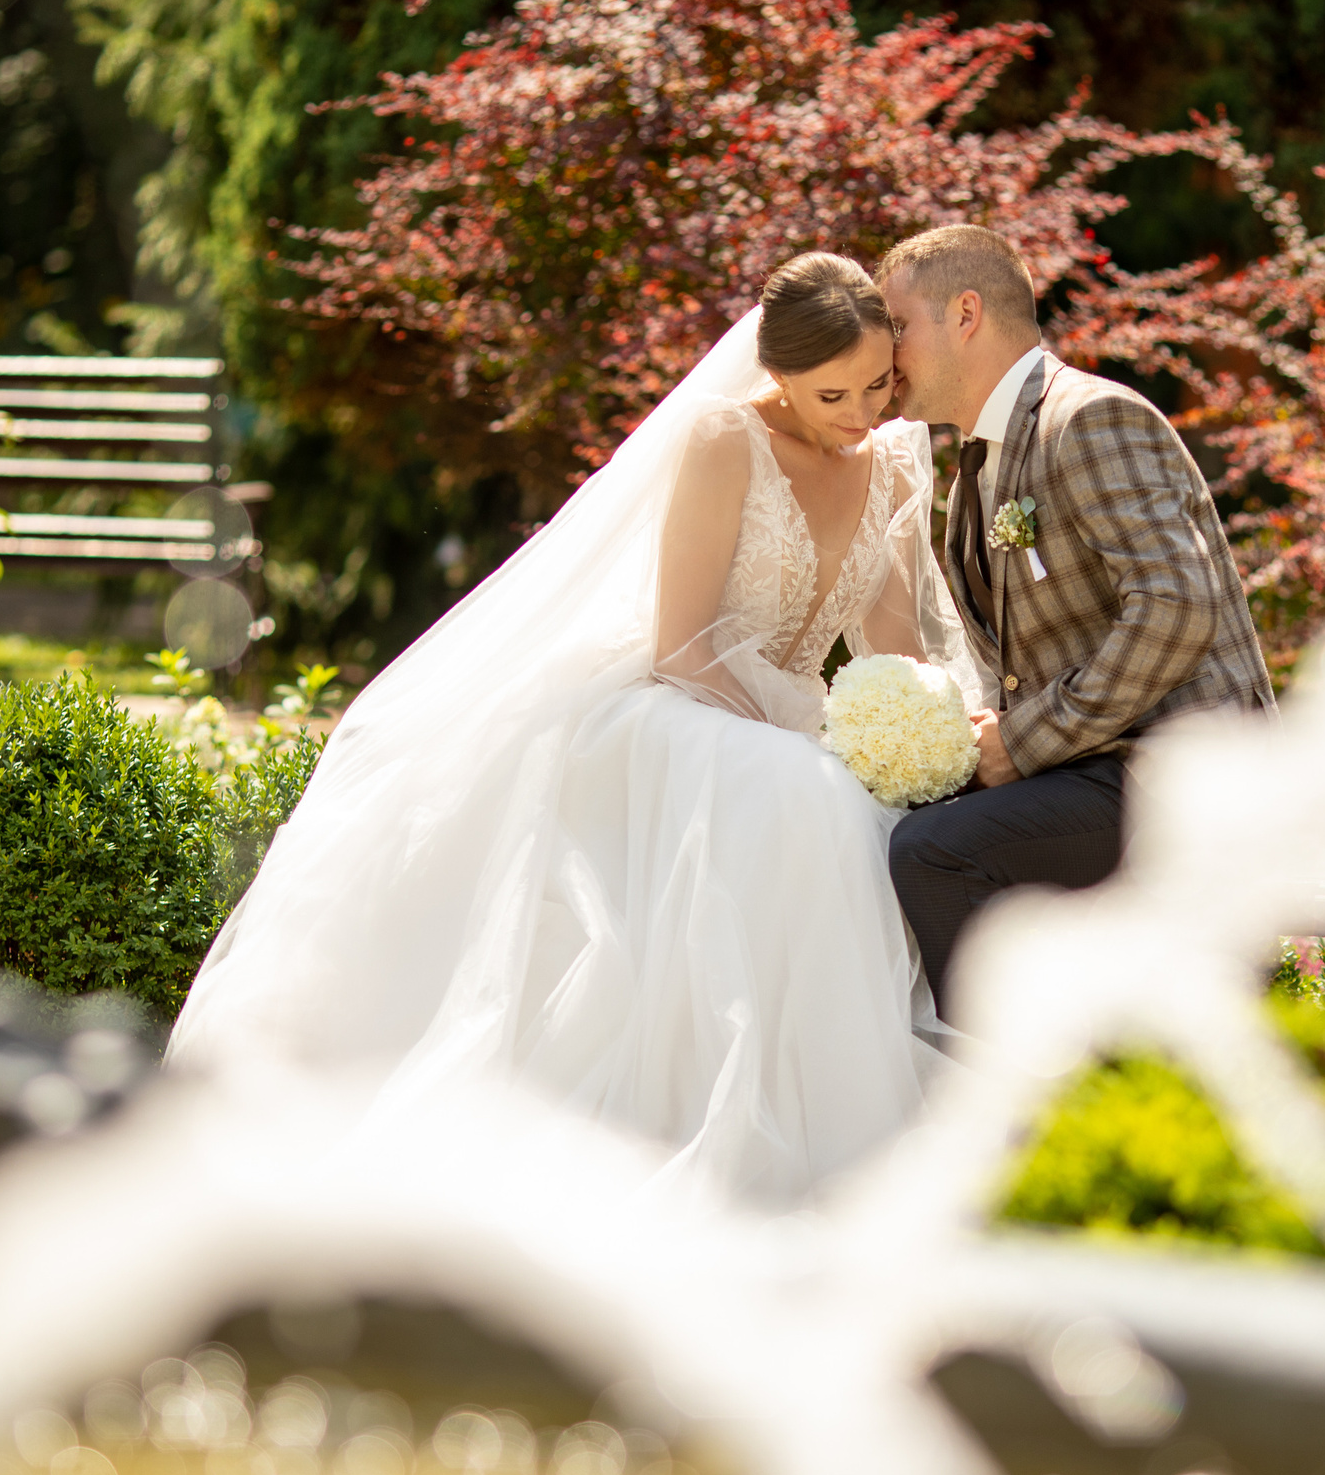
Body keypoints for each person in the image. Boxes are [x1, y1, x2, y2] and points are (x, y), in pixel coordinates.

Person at [166, 255, 981, 1205]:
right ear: (778, 374)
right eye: (830, 392)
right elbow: (682, 645)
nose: (859, 411)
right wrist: (808, 738)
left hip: (791, 716)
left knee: (856, 801)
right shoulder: (726, 440)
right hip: (678, 697)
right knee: (801, 797)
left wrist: (909, 717)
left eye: (879, 385)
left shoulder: (887, 464)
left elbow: (887, 642)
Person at [878, 226, 1275, 1012]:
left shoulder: (1088, 418)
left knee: (934, 854)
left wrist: (1019, 744)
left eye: (898, 325)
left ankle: (1021, 1101)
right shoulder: (982, 460)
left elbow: (1175, 607)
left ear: (965, 313)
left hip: (1185, 775)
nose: (885, 351)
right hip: (1097, 767)